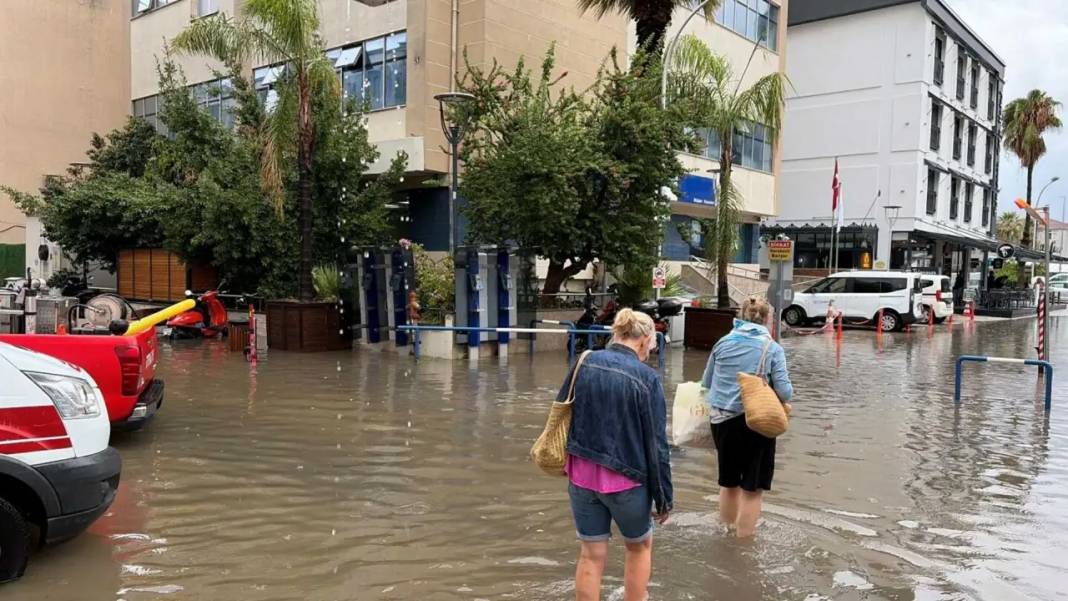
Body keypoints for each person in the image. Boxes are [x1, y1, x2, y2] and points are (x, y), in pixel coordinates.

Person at [561, 308, 672, 601]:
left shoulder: (583, 361)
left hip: (581, 474)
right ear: (645, 338)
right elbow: (657, 444)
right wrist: (664, 498)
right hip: (627, 480)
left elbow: (561, 413)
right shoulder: (646, 378)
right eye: (652, 343)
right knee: (638, 548)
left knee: (591, 554)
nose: (651, 348)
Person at [701, 297, 793, 538]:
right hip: (758, 424)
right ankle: (743, 545)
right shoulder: (772, 348)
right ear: (767, 320)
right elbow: (785, 391)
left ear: (741, 317)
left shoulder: (722, 343)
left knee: (728, 482)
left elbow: (707, 382)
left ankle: (725, 534)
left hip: (721, 422)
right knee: (752, 488)